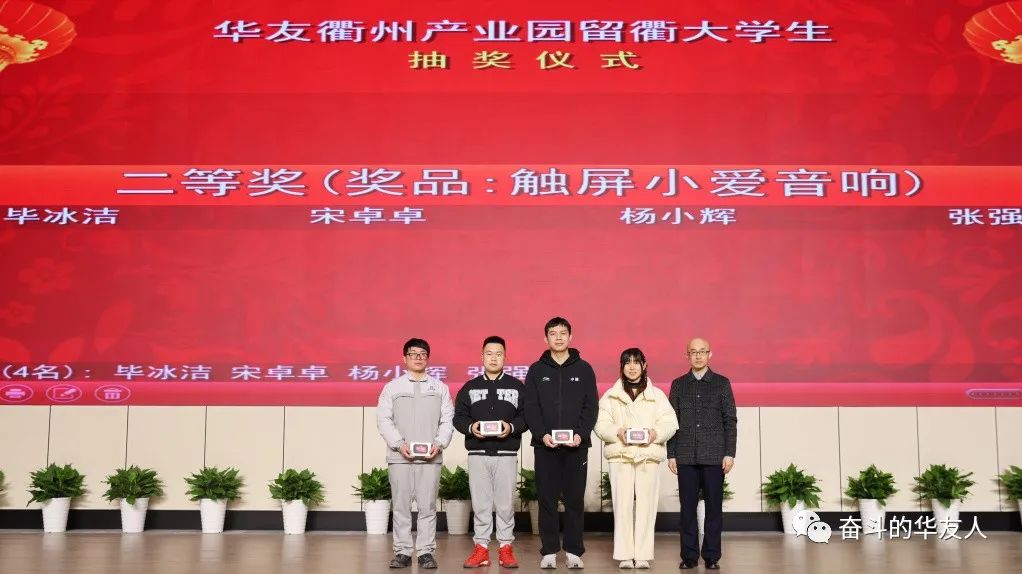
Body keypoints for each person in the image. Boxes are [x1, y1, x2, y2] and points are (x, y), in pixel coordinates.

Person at [523, 317, 599, 570]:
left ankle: (574, 551)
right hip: (545, 446)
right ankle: (549, 551)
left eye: (563, 333)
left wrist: (581, 434)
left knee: (575, 500)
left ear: (570, 337)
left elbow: (591, 406)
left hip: (577, 447)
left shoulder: (584, 369)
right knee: (547, 500)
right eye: (553, 333)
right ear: (545, 338)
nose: (558, 337)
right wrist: (541, 434)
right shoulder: (536, 370)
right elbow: (531, 406)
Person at [594, 348, 678, 569]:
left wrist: (655, 434)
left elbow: (670, 422)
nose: (631, 367)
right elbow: (600, 424)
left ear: (644, 365)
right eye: (627, 362)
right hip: (620, 456)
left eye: (636, 362)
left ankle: (642, 554)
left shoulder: (657, 395)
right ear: (621, 366)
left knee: (646, 506)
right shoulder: (610, 396)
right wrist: (617, 432)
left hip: (647, 456)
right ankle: (624, 554)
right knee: (621, 505)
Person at [376, 338, 455, 570]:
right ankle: (402, 551)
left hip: (430, 458)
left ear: (428, 358)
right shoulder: (393, 387)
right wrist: (398, 444)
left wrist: (439, 444)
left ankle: (425, 552)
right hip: (399, 457)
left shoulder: (439, 388)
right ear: (405, 358)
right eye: (413, 354)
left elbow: (447, 420)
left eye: (422, 354)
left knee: (427, 507)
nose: (418, 358)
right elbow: (383, 419)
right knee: (401, 507)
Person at [453, 336, 527, 569]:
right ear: (482, 356)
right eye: (489, 353)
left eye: (498, 354)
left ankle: (505, 548)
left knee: (505, 505)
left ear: (505, 357)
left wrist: (511, 427)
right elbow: (459, 417)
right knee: (481, 504)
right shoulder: (470, 387)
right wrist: (471, 427)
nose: (493, 358)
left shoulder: (517, 386)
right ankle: (481, 548)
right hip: (478, 453)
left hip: (506, 454)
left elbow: (526, 416)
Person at [666, 338, 737, 571]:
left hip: (715, 457)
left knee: (714, 509)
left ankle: (712, 556)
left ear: (710, 354)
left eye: (702, 352)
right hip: (685, 456)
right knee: (687, 510)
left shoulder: (722, 383)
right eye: (693, 352)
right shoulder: (678, 385)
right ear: (686, 355)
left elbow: (730, 421)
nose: (698, 356)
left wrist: (729, 453)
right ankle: (688, 556)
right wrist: (671, 453)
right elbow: (671, 422)